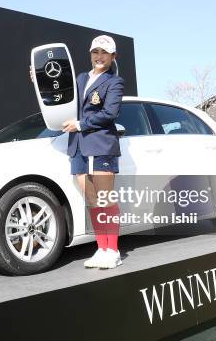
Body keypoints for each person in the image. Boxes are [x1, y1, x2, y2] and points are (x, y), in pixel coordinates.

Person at [61, 34, 124, 269]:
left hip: (100, 145)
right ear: (90, 54)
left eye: (104, 53)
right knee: (92, 199)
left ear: (112, 56)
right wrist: (39, 82)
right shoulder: (80, 79)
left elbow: (110, 114)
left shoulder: (114, 82)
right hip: (77, 145)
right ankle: (101, 248)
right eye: (95, 52)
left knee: (105, 198)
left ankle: (113, 250)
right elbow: (62, 99)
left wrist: (80, 124)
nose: (99, 56)